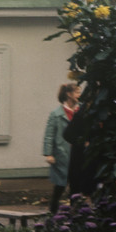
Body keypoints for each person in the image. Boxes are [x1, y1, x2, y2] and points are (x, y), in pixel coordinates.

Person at [43, 82, 79, 212]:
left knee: (76, 187)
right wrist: (48, 154)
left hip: (77, 154)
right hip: (61, 155)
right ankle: (53, 214)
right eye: (77, 92)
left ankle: (76, 215)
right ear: (68, 94)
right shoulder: (56, 114)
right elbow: (49, 135)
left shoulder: (80, 111)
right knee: (60, 187)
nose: (79, 95)